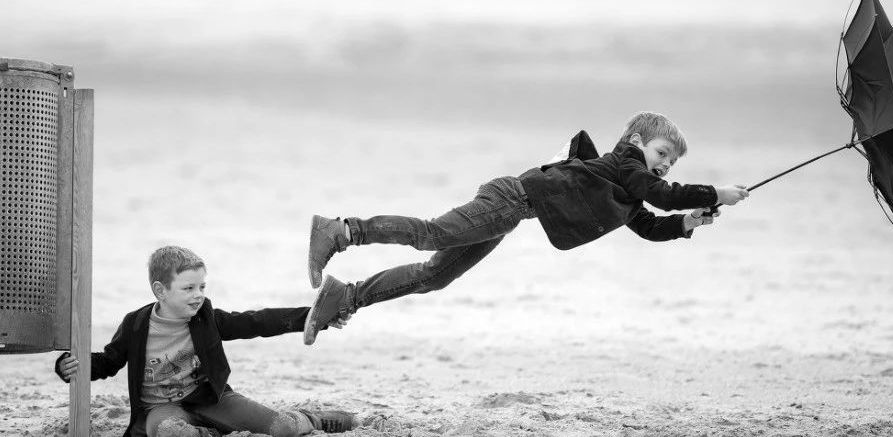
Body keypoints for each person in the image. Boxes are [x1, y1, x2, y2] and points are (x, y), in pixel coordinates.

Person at [302, 111, 749, 344]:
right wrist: (714, 193)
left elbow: (651, 224)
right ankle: (342, 230)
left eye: (671, 161)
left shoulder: (627, 190)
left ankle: (347, 297)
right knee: (432, 233)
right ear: (636, 143)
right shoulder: (626, 163)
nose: (666, 165)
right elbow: (663, 194)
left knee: (434, 276)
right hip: (510, 197)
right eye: (662, 152)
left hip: (511, 214)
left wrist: (689, 222)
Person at [54, 246, 357, 437]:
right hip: (162, 409)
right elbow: (107, 362)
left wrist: (314, 318)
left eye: (202, 286)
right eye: (188, 288)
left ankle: (315, 420)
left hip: (212, 399)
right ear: (161, 291)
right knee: (171, 433)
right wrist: (69, 365)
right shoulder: (136, 325)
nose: (198, 294)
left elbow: (256, 321)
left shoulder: (205, 318)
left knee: (284, 428)